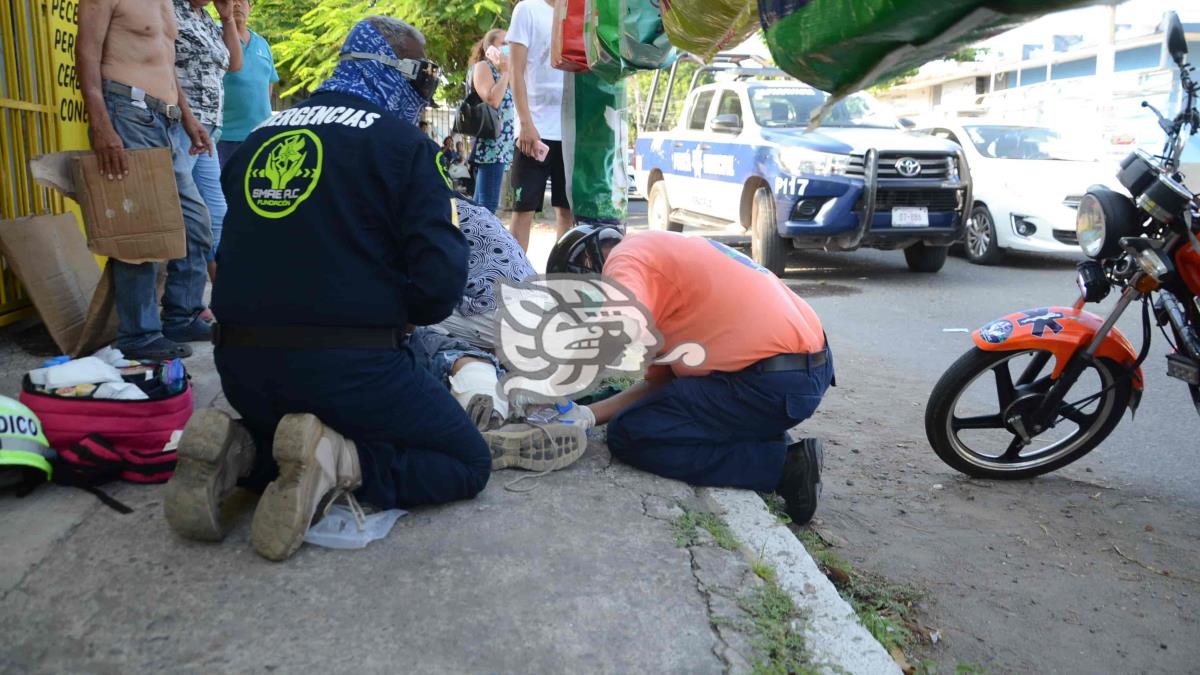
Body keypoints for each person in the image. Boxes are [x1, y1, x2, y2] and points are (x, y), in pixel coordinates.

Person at [163, 17, 585, 562]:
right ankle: (337, 462)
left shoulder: (260, 138)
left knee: (315, 400)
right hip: (351, 371)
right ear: (399, 74)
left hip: (241, 368)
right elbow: (437, 289)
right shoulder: (403, 146)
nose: (425, 91)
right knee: (463, 461)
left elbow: (235, 255)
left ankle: (246, 451)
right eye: (424, 76)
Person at [545, 227, 835, 525]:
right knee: (658, 408)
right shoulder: (661, 255)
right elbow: (658, 384)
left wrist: (549, 383)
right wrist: (587, 415)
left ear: (587, 270)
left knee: (631, 434)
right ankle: (768, 435)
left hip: (772, 382)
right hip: (808, 370)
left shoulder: (623, 259)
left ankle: (784, 467)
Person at [77, 0, 216, 361]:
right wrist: (101, 124)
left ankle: (181, 315)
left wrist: (188, 118)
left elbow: (166, 65)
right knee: (143, 228)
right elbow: (87, 53)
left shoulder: (167, 3)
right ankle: (138, 335)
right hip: (127, 112)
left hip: (167, 120)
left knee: (196, 223)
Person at [172, 0, 243, 283]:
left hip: (210, 132)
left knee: (216, 215)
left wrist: (227, 19)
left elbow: (235, 64)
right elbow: (164, 66)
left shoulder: (205, 19)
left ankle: (222, 299)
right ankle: (184, 307)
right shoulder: (169, 9)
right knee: (186, 217)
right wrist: (188, 117)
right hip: (181, 125)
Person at [506, 0, 573, 250]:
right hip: (534, 130)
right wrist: (525, 123)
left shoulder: (580, 11)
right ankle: (516, 283)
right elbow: (516, 71)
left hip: (570, 131)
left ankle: (559, 281)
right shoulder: (527, 9)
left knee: (566, 212)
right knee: (523, 211)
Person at [216, 0, 279, 169]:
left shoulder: (262, 43)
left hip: (260, 135)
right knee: (223, 191)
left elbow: (268, 82)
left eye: (242, 1)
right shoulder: (214, 36)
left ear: (250, 7)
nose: (236, 4)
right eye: (232, 0)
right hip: (224, 136)